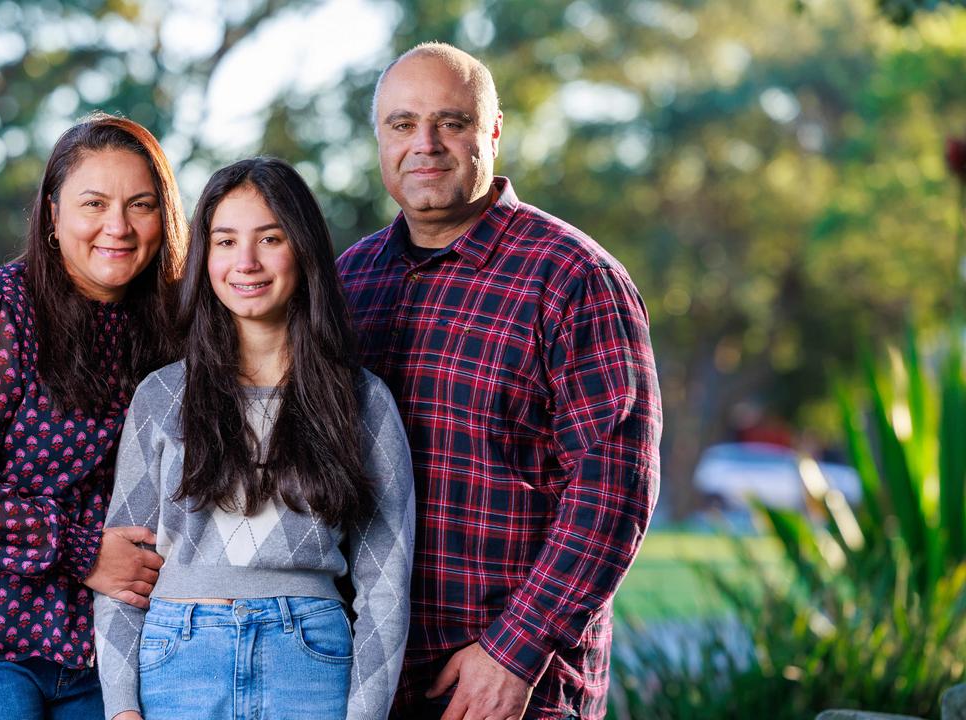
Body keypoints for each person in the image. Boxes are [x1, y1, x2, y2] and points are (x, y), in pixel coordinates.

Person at [336, 43, 663, 720]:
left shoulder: (573, 278)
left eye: (450, 122)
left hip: (515, 687)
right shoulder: (348, 282)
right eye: (402, 125)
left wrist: (514, 651)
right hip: (369, 681)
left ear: (493, 130)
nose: (425, 144)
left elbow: (612, 492)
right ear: (380, 140)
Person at [0, 113, 187, 719]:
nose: (117, 227)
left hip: (100, 645)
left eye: (140, 205)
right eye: (93, 203)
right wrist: (83, 552)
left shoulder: (173, 328)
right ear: (52, 215)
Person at [94, 157, 416, 720]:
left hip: (310, 660)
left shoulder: (361, 400)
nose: (245, 262)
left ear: (304, 251)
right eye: (225, 241)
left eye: (269, 238)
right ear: (204, 257)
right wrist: (121, 709)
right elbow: (124, 569)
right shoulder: (162, 396)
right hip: (178, 659)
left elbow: (386, 586)